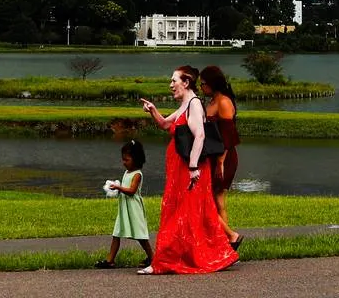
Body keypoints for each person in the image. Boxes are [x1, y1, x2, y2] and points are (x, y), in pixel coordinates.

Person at [137, 65, 238, 275]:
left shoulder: (194, 105)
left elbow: (199, 136)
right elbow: (166, 125)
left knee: (183, 213)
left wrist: (193, 167)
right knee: (184, 213)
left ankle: (164, 261)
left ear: (186, 83)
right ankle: (188, 255)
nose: (171, 85)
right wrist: (153, 111)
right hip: (178, 169)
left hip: (188, 169)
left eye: (174, 81)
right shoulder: (185, 104)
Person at [200, 64, 243, 250]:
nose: (201, 87)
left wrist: (220, 162)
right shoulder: (211, 102)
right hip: (212, 155)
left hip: (223, 158)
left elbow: (228, 135)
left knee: (210, 199)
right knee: (217, 200)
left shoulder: (224, 102)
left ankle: (229, 237)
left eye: (203, 84)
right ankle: (224, 242)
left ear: (212, 83)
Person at [96, 139, 154, 269]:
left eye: (126, 160)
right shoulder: (127, 172)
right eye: (123, 159)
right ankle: (110, 260)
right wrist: (117, 187)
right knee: (116, 233)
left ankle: (152, 258)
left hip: (134, 208)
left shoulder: (137, 174)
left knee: (140, 235)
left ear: (136, 159)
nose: (123, 162)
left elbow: (132, 191)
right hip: (124, 208)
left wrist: (118, 187)